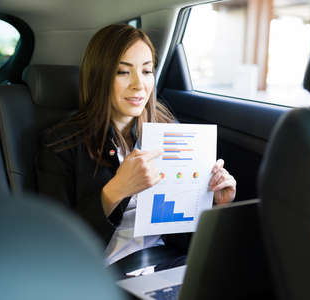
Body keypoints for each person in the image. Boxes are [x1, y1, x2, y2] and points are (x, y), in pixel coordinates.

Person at [36, 24, 237, 272]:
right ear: (98, 76)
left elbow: (185, 237)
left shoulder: (169, 130)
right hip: (105, 275)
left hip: (171, 264)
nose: (139, 85)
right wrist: (114, 192)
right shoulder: (62, 144)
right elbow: (56, 247)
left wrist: (214, 205)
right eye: (123, 72)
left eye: (147, 71)